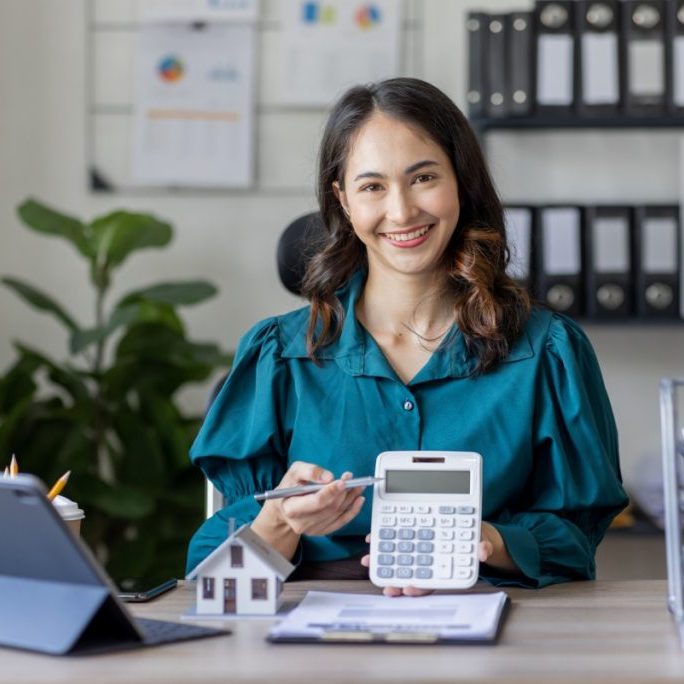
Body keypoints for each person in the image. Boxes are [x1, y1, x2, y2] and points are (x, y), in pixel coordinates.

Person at [186, 77, 628, 593]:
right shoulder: (279, 356)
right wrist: (282, 521)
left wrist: (487, 541)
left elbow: (575, 542)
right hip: (317, 644)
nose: (401, 212)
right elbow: (211, 577)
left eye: (422, 178)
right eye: (372, 186)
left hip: (489, 628)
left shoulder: (548, 351)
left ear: (461, 181)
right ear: (344, 201)